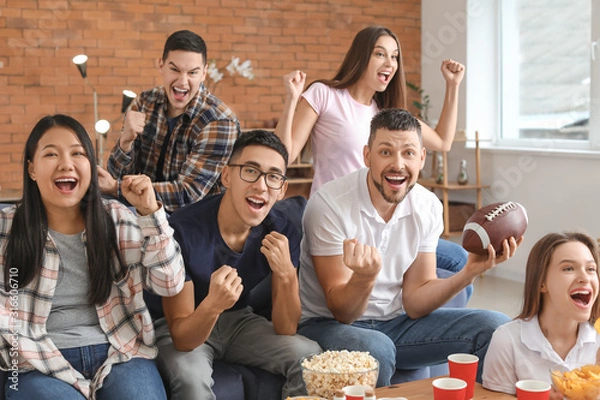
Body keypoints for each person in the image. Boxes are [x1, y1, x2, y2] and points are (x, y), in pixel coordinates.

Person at [297, 108, 522, 388]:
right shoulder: (330, 204)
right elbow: (342, 311)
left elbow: (415, 303)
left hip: (396, 324)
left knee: (495, 326)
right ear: (367, 156)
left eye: (409, 153)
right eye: (386, 152)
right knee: (377, 350)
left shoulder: (427, 206)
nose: (398, 164)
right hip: (330, 325)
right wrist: (364, 277)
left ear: (422, 158)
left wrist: (468, 272)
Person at [275, 25, 471, 294]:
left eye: (394, 56)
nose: (389, 63)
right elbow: (282, 155)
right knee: (450, 266)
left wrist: (453, 86)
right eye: (380, 54)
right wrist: (291, 100)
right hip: (338, 220)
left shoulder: (386, 116)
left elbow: (442, 142)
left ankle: (404, 306)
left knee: (458, 260)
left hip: (381, 221)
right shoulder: (324, 95)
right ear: (361, 57)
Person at [0, 114, 185, 399]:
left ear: (90, 166)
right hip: (37, 360)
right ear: (32, 169)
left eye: (78, 153)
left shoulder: (117, 218)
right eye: (51, 154)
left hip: (121, 352)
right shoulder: (6, 228)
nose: (66, 163)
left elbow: (169, 283)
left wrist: (150, 214)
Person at [150, 130, 322, 399]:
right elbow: (183, 338)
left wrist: (287, 274)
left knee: (310, 359)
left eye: (273, 177)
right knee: (191, 380)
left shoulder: (282, 229)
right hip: (181, 324)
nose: (262, 186)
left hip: (239, 321)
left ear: (282, 189)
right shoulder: (182, 231)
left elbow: (286, 329)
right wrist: (213, 305)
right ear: (227, 176)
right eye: (250, 171)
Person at [99, 29, 240, 214]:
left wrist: (116, 188)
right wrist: (125, 142)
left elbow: (188, 194)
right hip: (140, 209)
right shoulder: (145, 102)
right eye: (175, 69)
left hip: (193, 220)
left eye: (192, 73)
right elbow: (118, 176)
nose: (183, 81)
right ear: (161, 65)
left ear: (204, 73)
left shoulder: (220, 121)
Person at [482, 232, 599, 398]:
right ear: (542, 282)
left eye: (591, 269)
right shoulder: (507, 340)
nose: (585, 278)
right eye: (568, 268)